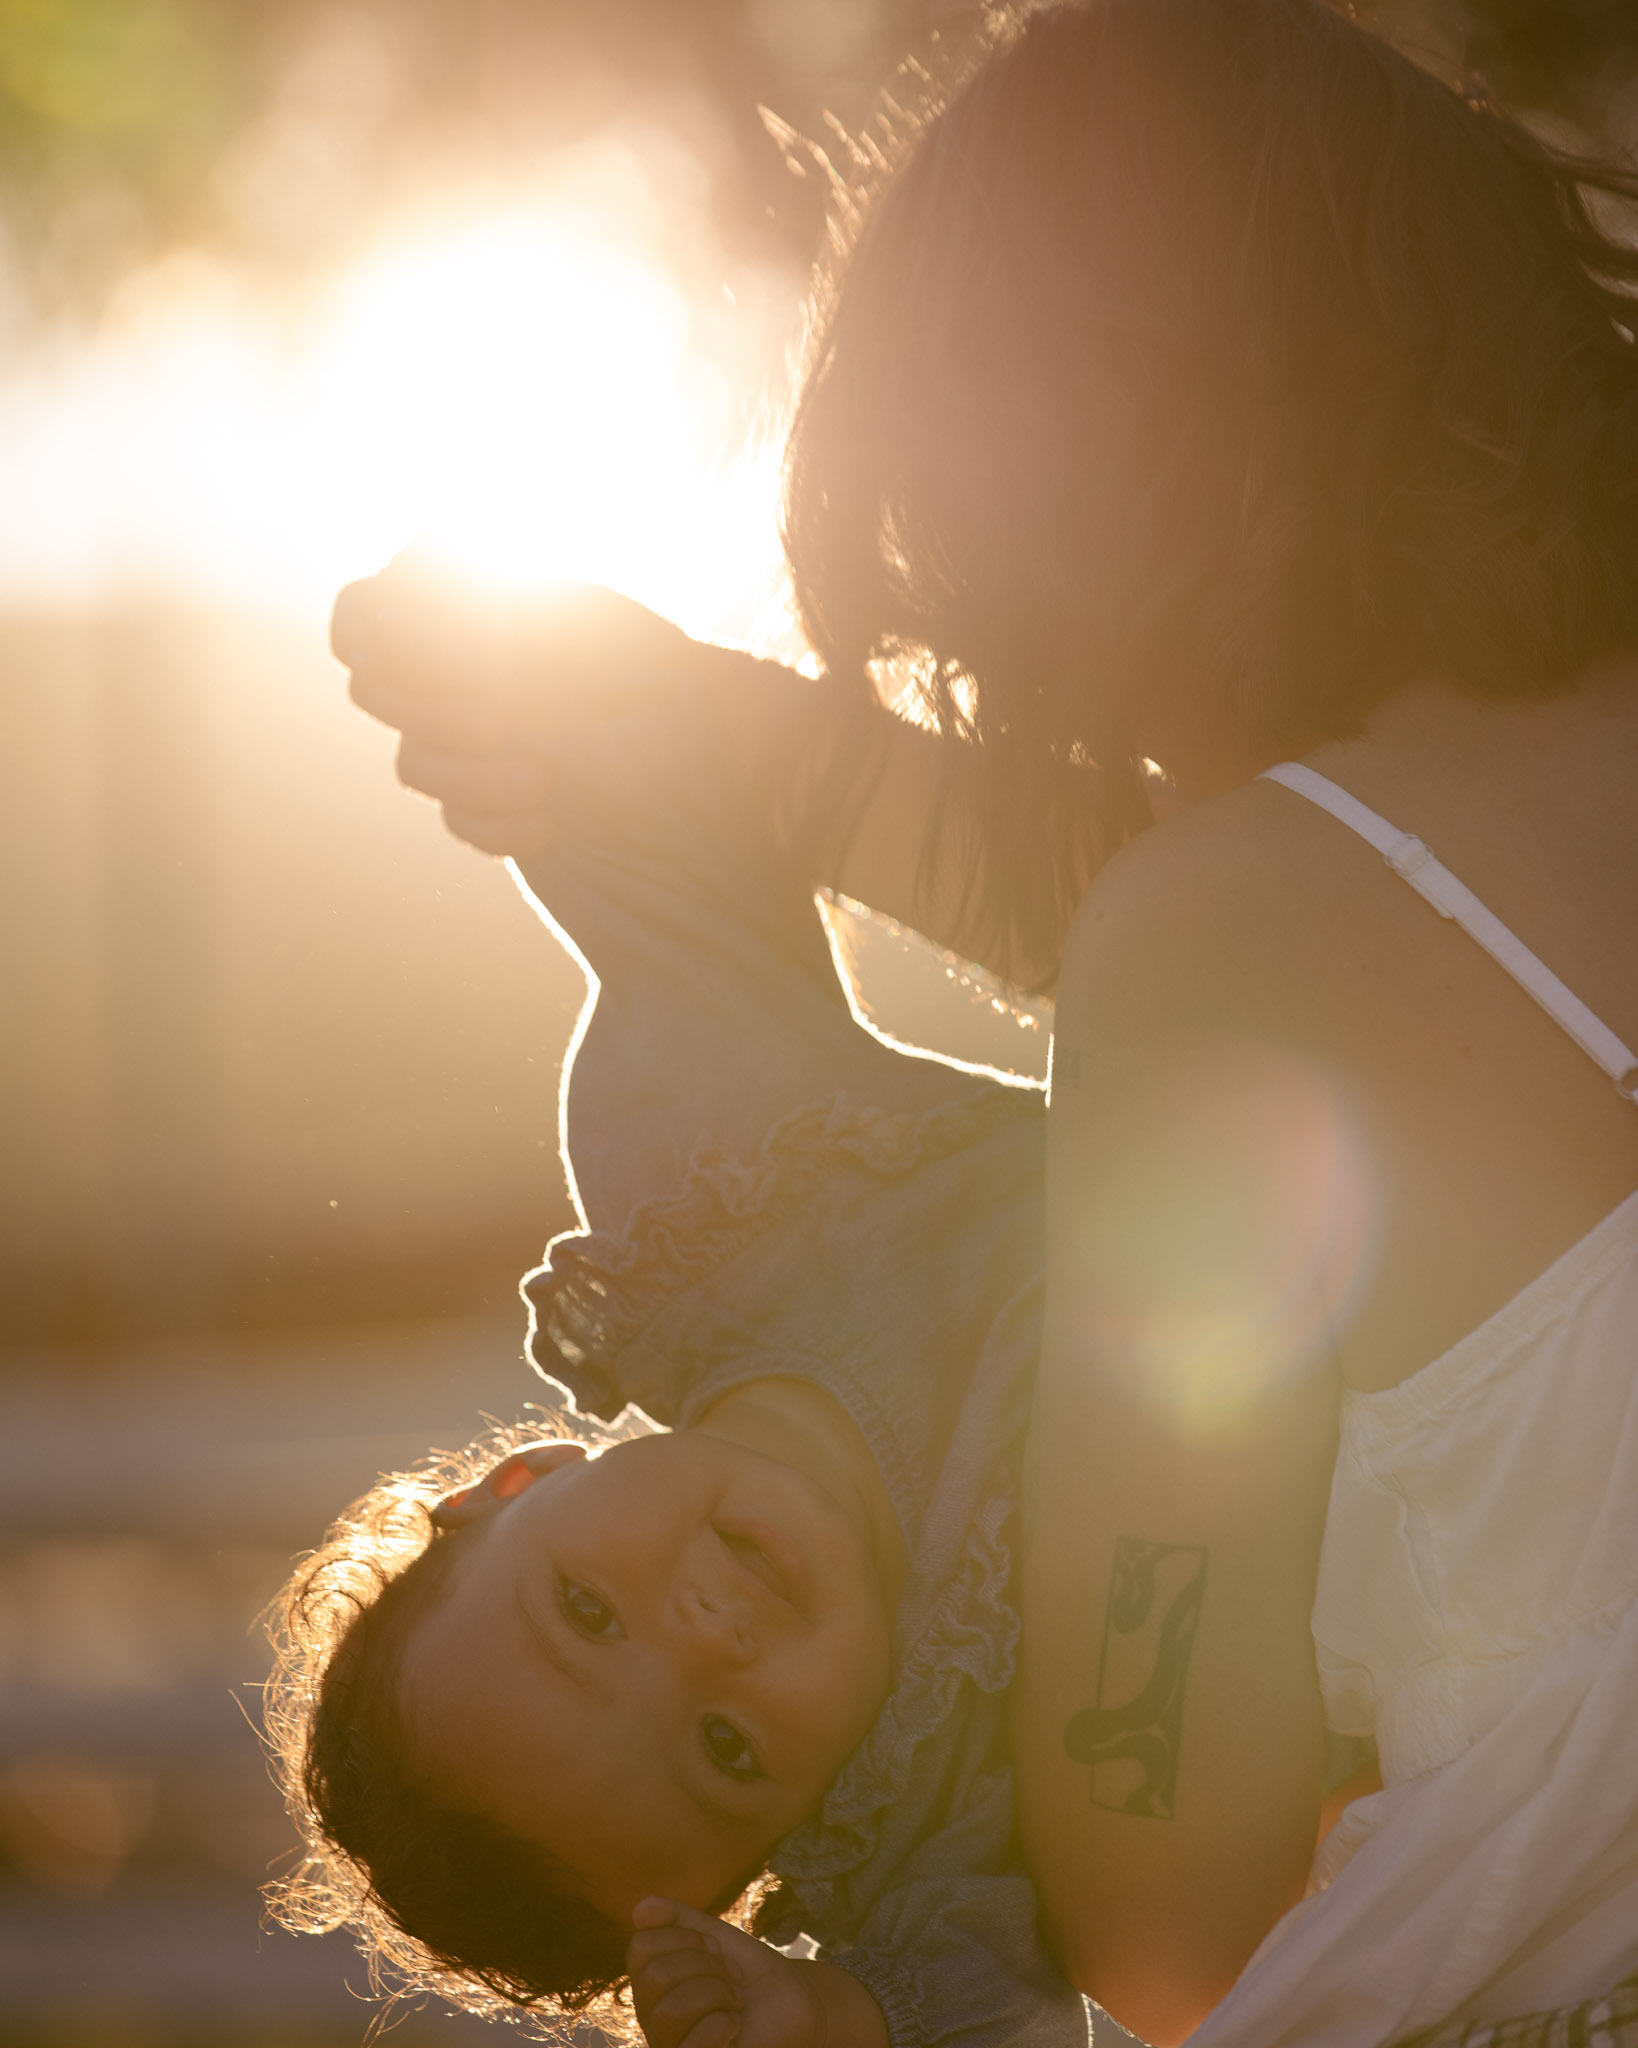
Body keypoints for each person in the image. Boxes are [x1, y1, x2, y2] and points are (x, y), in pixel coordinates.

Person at [279, 0, 1638, 2042]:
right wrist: (719, 742)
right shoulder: (1347, 880)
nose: (1010, 671)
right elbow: (1299, 902)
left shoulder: (1220, 943)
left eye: (985, 589)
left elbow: (1179, 1933)